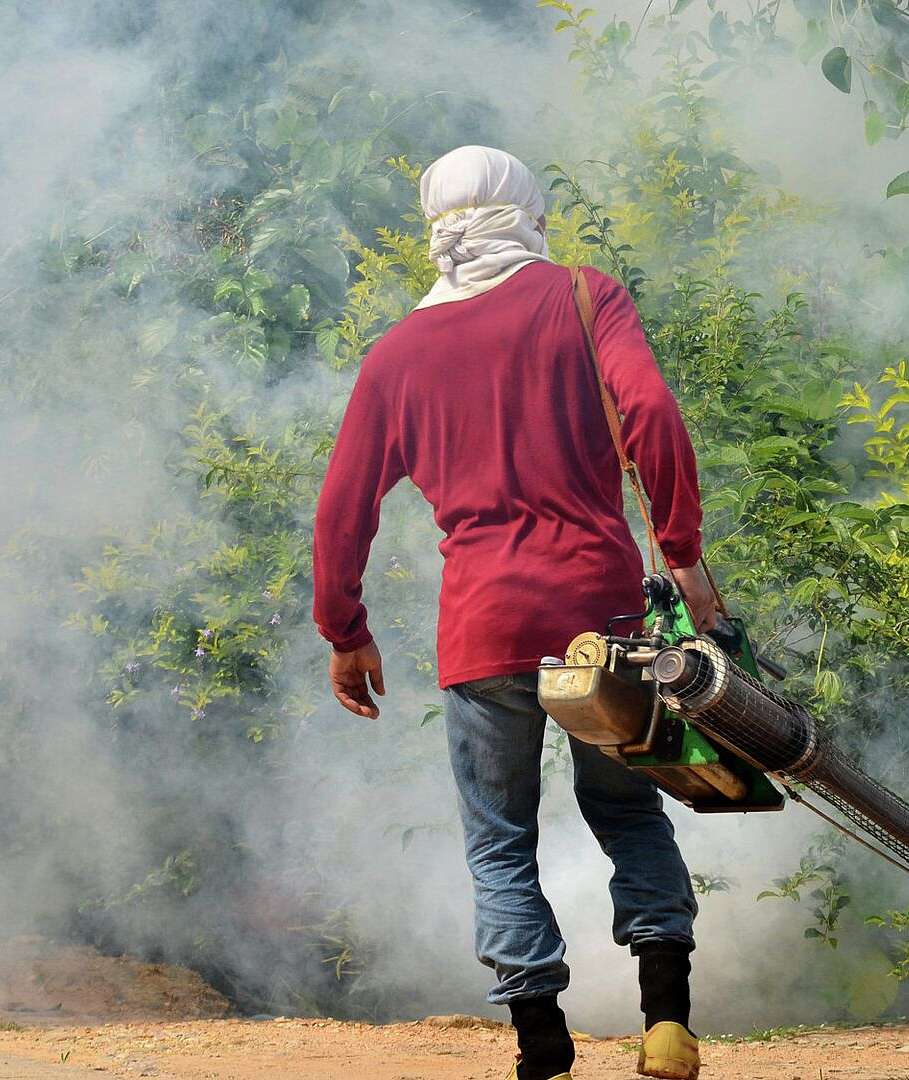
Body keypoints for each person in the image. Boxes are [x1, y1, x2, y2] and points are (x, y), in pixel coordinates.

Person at [312, 144, 718, 1080]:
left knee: (500, 841)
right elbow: (650, 410)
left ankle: (541, 1044)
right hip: (600, 619)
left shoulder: (396, 356)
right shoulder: (584, 296)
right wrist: (682, 551)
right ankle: (666, 1022)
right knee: (628, 815)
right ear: (527, 209)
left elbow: (343, 509)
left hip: (482, 633)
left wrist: (347, 631)